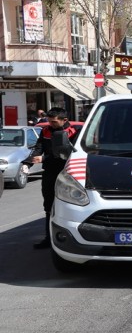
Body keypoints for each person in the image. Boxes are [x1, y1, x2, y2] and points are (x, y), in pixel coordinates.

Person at [23, 107, 79, 249]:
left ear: (64, 120)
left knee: (69, 205)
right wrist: (27, 163)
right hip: (49, 172)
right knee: (48, 206)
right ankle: (49, 238)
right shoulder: (46, 131)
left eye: (54, 122)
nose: (51, 124)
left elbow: (65, 155)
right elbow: (38, 147)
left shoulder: (74, 133)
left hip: (68, 174)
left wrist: (43, 159)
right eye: (49, 121)